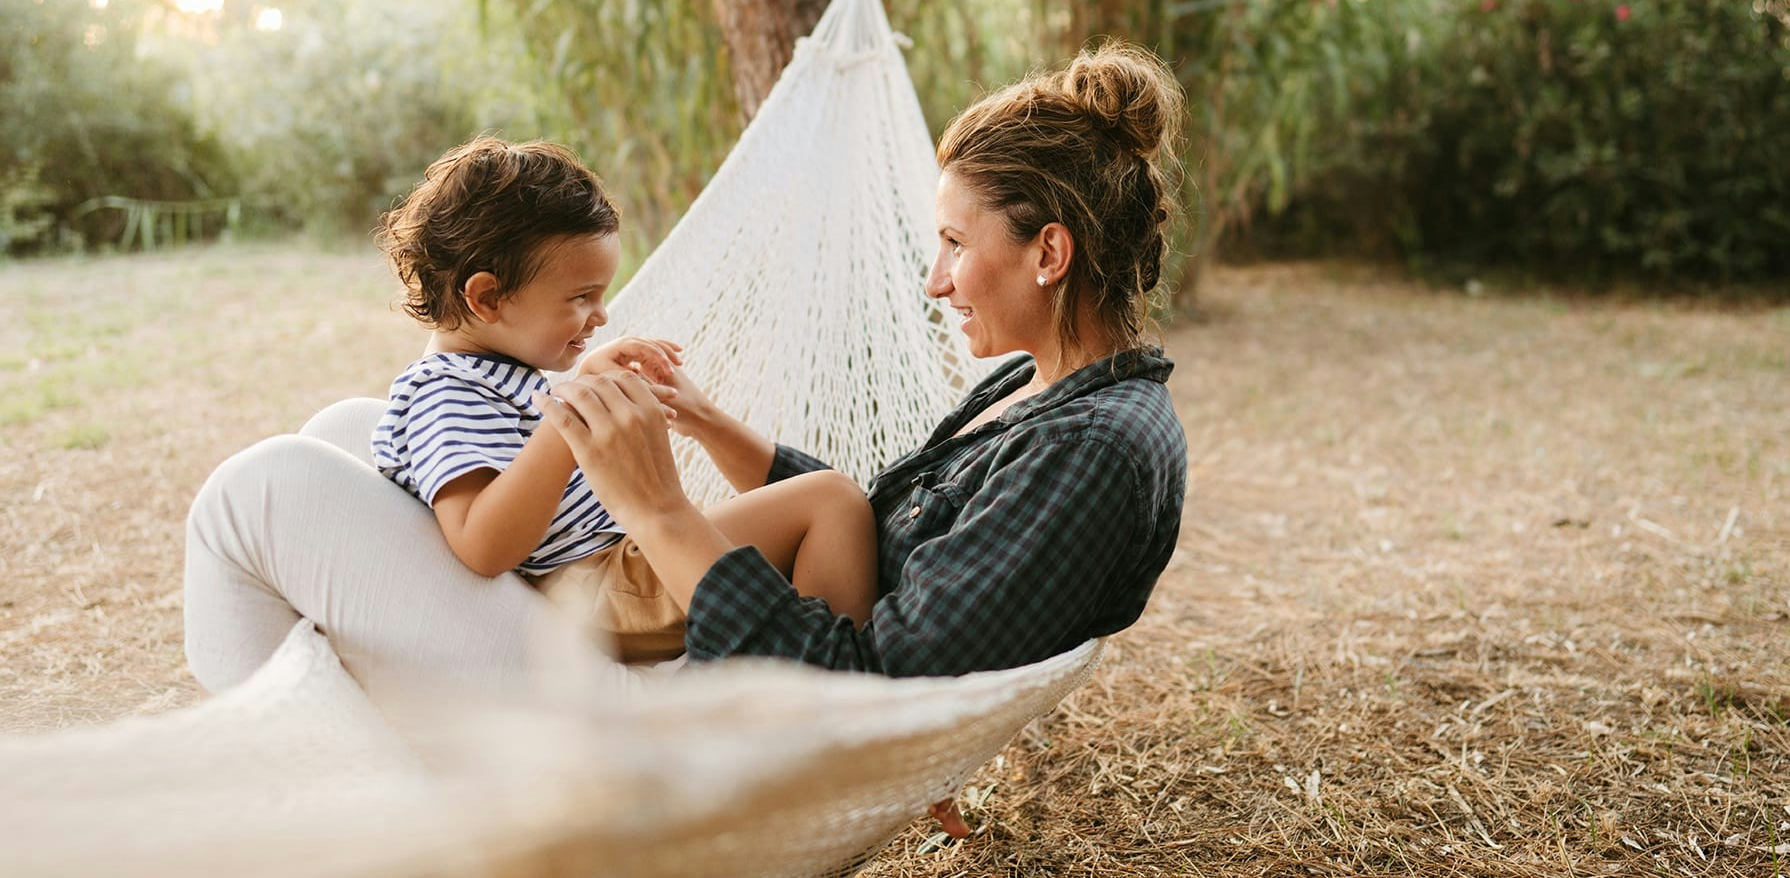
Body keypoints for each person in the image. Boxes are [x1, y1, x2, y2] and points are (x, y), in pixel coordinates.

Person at [182, 40, 1187, 692]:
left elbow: (866, 677)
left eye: (956, 245)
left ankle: (298, 762)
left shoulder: (1091, 453)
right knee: (344, 433)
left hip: (658, 689)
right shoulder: (1039, 394)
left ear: (1049, 253)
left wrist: (658, 510)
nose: (935, 280)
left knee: (259, 488)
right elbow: (875, 528)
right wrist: (703, 422)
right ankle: (331, 741)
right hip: (598, 604)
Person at [371, 137, 878, 662]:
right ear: (488, 298)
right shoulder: (445, 392)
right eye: (580, 297)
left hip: (620, 570)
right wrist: (569, 420)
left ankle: (802, 674)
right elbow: (482, 544)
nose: (601, 315)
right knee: (830, 499)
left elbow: (529, 458)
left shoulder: (496, 374)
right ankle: (833, 691)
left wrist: (586, 381)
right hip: (596, 587)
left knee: (819, 507)